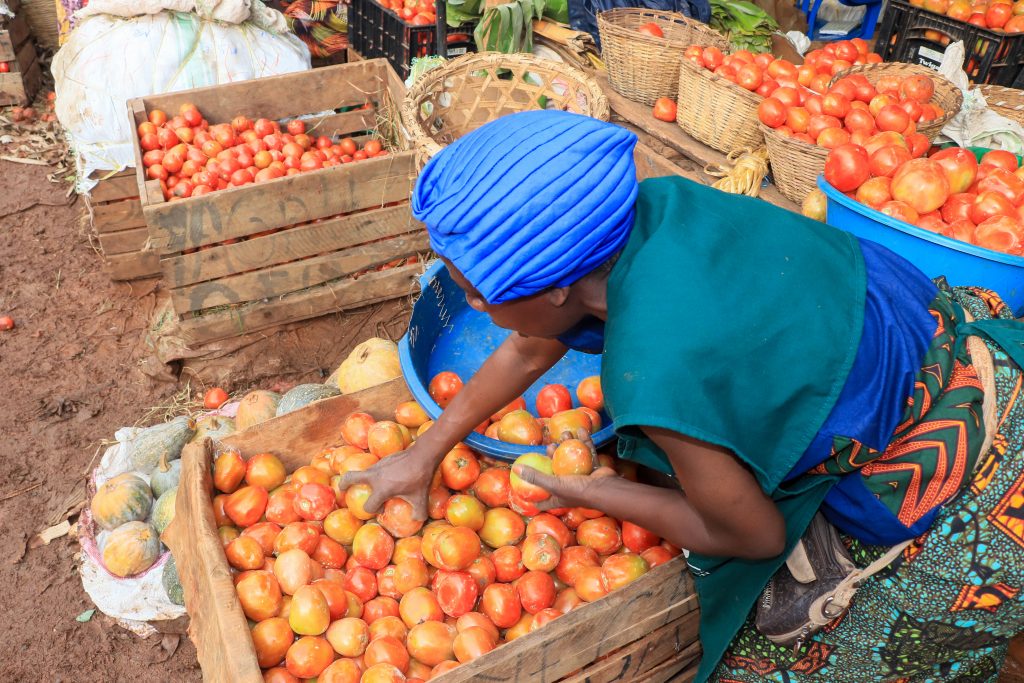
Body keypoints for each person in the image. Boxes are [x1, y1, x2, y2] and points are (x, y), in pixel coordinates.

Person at [341, 110, 1024, 682]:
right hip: (950, 347)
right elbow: (531, 343)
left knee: (776, 656)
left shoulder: (654, 368)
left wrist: (586, 492)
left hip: (985, 492)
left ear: (552, 289)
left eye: (476, 291)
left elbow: (751, 535)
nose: (469, 303)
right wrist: (427, 450)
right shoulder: (659, 209)